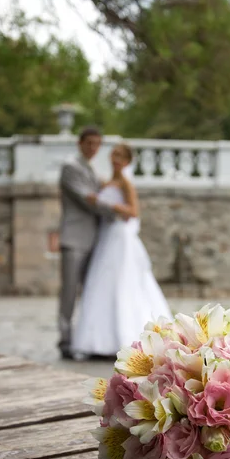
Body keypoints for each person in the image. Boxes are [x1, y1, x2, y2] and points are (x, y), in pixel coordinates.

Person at [72, 143, 172, 357]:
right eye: (113, 154)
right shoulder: (108, 181)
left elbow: (133, 212)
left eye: (120, 156)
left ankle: (127, 337)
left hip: (120, 235)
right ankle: (98, 340)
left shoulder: (126, 183)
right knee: (102, 283)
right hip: (107, 235)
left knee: (123, 283)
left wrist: (108, 205)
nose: (115, 158)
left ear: (127, 161)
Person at [58, 127, 129, 361]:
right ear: (79, 143)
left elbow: (104, 193)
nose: (93, 148)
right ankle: (65, 340)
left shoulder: (92, 170)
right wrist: (117, 211)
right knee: (69, 291)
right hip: (74, 238)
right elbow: (88, 199)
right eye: (89, 143)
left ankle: (89, 339)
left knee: (92, 292)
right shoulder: (71, 167)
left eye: (97, 144)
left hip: (96, 240)